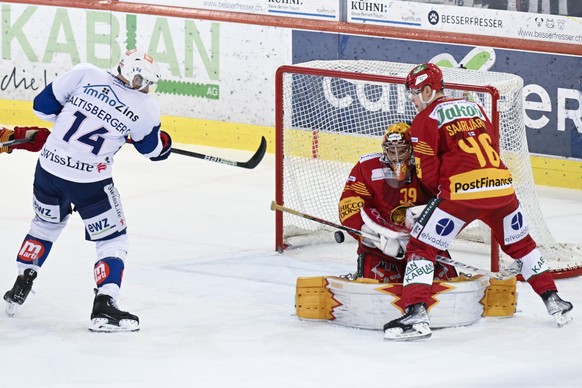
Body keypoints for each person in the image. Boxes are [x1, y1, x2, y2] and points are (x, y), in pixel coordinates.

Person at [383, 63, 573, 341]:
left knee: (421, 246)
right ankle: (554, 300)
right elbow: (493, 146)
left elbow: (427, 171)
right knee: (522, 245)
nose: (412, 99)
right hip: (501, 188)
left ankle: (416, 314)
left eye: (414, 92)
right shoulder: (475, 107)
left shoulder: (425, 119)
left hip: (462, 193)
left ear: (427, 90)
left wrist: (441, 198)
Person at [3, 49, 172, 332]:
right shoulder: (145, 107)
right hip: (89, 181)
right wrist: (164, 143)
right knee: (113, 239)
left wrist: (63, 126)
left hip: (49, 167)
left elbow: (42, 107)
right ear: (129, 71)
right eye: (141, 79)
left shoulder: (85, 74)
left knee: (45, 224)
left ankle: (23, 277)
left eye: (147, 82)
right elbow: (151, 150)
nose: (143, 86)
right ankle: (105, 303)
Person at [338, 122, 457, 284]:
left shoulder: (430, 167)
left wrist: (431, 236)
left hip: (424, 247)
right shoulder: (367, 167)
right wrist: (366, 233)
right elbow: (349, 204)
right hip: (380, 250)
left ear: (412, 149)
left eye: (401, 150)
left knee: (444, 290)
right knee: (377, 295)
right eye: (391, 150)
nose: (396, 156)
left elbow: (451, 206)